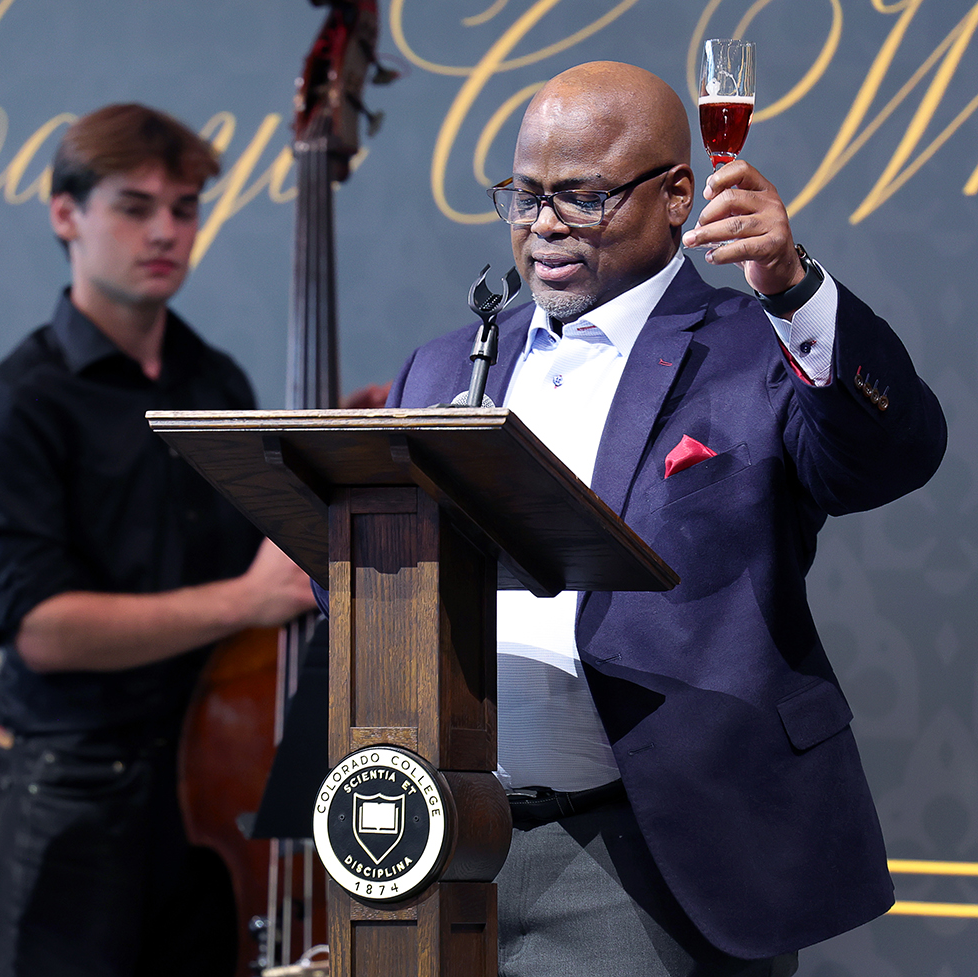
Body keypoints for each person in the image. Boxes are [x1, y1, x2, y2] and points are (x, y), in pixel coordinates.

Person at [383, 61, 946, 975]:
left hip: (652, 857)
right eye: (523, 198)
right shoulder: (443, 366)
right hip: (441, 844)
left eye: (583, 195)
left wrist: (792, 286)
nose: (545, 227)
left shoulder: (752, 346)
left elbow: (892, 455)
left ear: (676, 194)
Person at [0, 103, 318, 977]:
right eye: (134, 206)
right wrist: (247, 600)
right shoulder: (16, 404)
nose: (165, 231)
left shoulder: (215, 381)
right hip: (67, 798)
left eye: (183, 208)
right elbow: (44, 627)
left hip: (206, 793)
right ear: (65, 214)